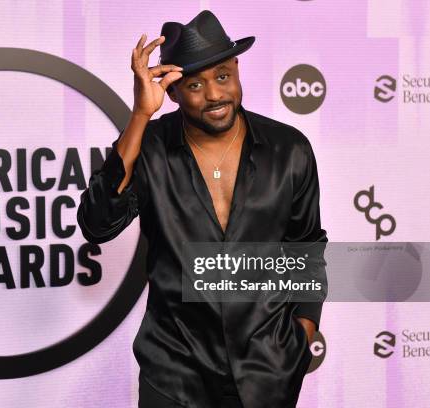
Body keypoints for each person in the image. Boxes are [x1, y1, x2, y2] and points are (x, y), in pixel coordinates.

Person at [77, 10, 328, 408]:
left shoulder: (289, 148)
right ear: (172, 90)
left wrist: (302, 332)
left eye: (223, 77)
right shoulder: (150, 146)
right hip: (175, 371)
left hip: (267, 368)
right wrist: (141, 114)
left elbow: (307, 245)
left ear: (237, 69)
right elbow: (97, 224)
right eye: (195, 84)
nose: (214, 95)